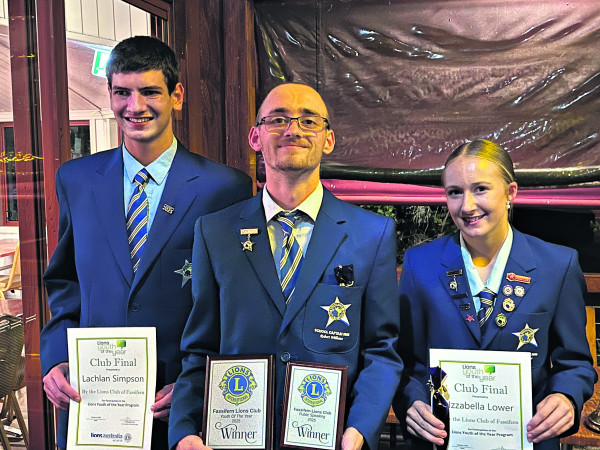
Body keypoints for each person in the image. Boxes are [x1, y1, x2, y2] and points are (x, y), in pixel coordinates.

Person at [40, 35, 252, 449]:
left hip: (180, 409)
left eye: (150, 91)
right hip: (94, 409)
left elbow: (238, 303)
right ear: (110, 94)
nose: (135, 106)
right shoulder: (76, 180)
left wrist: (202, 381)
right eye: (122, 92)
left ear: (177, 96)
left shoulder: (225, 188)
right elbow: (65, 283)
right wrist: (56, 359)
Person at [168, 83, 403, 450]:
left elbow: (381, 351)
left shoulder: (372, 234)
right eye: (278, 119)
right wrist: (183, 431)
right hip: (233, 441)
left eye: (309, 121)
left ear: (328, 139)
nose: (293, 129)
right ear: (255, 137)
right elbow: (200, 349)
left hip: (331, 443)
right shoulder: (215, 232)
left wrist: (359, 429)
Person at [393, 139, 596, 449]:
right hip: (442, 439)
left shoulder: (557, 265)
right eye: (455, 192)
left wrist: (566, 397)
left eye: (480, 189)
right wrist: (412, 402)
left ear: (510, 192)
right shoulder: (420, 264)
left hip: (528, 438)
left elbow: (576, 364)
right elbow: (405, 362)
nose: (467, 206)